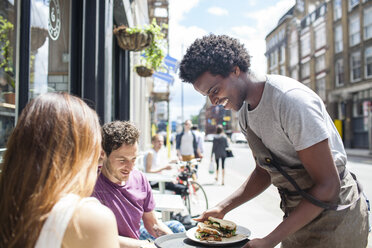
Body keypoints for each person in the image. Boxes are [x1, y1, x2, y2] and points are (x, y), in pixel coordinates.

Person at [179, 34, 369, 248]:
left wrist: (270, 240)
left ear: (235, 69)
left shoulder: (290, 100)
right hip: (298, 219)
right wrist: (223, 208)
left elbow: (328, 186)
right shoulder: (244, 114)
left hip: (336, 219)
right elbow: (264, 171)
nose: (213, 102)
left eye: (214, 91)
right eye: (208, 96)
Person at [0, 92, 119, 248]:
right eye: (96, 148)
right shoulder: (88, 218)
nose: (101, 156)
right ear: (80, 152)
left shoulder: (11, 203)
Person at [92, 121, 185, 247]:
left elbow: (153, 224)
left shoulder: (140, 178)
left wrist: (175, 243)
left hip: (139, 244)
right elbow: (99, 237)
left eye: (134, 159)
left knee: (178, 232)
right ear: (103, 154)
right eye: (122, 160)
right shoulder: (89, 185)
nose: (130, 167)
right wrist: (144, 245)